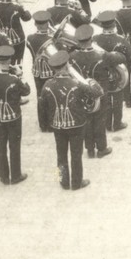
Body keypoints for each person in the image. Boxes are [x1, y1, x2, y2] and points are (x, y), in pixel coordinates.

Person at [38, 50, 95, 190]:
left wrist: (45, 125)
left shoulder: (47, 84)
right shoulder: (76, 83)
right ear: (66, 65)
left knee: (60, 154)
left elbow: (42, 107)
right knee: (76, 154)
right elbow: (96, 93)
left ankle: (63, 181)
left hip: (57, 125)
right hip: (77, 124)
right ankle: (77, 182)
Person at [71, 24, 119, 159]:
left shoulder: (72, 56)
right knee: (100, 120)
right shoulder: (102, 55)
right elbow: (120, 59)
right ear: (91, 39)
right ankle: (102, 148)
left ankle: (90, 149)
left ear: (78, 41)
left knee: (86, 120)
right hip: (100, 94)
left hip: (82, 93)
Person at [0, 44, 30, 185]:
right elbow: (26, 91)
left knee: (0, 145)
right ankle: (16, 175)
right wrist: (20, 75)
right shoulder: (14, 79)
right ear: (10, 61)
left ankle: (3, 176)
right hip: (13, 116)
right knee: (14, 145)